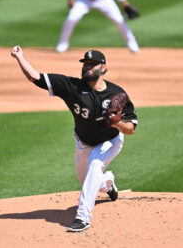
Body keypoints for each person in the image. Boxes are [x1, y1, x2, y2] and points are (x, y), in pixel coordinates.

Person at [11, 45, 138, 232]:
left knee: (95, 164)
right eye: (86, 64)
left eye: (93, 64)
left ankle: (83, 217)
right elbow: (35, 78)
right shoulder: (72, 87)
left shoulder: (116, 94)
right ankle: (108, 183)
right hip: (83, 143)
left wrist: (117, 123)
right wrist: (19, 57)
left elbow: (131, 129)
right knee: (88, 180)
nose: (88, 67)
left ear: (103, 68)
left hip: (109, 142)